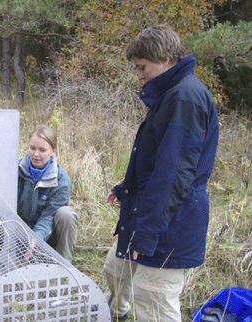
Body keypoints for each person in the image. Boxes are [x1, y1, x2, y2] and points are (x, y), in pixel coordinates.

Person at [103, 25, 219, 321]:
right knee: (115, 272)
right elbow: (156, 160)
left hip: (170, 223)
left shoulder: (186, 98)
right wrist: (124, 187)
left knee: (152, 299)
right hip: (146, 211)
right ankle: (116, 315)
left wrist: (147, 235)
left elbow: (175, 176)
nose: (138, 75)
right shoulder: (172, 94)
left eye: (142, 67)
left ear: (165, 58)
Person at [0, 124, 79, 262]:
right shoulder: (14, 171)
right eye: (32, 148)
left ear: (53, 151)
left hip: (48, 233)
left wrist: (36, 238)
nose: (36, 154)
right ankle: (29, 255)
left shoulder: (62, 180)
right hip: (22, 229)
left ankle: (62, 262)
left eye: (42, 150)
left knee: (66, 214)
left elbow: (49, 217)